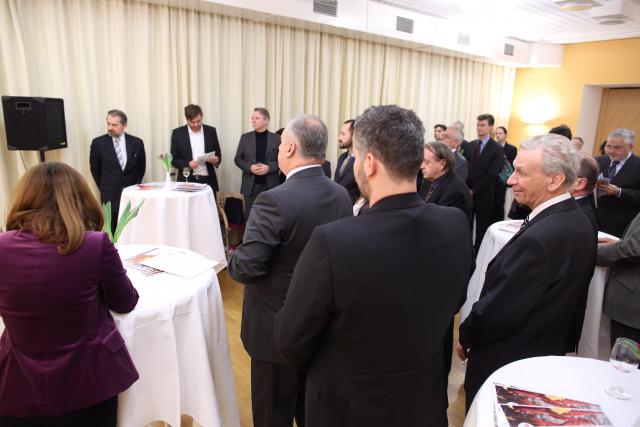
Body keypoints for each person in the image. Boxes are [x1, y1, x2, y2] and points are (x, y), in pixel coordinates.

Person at [274, 105, 473, 427]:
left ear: (368, 163)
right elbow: (454, 300)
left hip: (349, 409)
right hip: (423, 404)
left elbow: (290, 342)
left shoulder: (333, 241)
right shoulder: (454, 224)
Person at [228, 115, 352, 427]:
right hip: (320, 327)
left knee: (272, 415)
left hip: (275, 329)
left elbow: (246, 267)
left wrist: (231, 254)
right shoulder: (340, 194)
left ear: (291, 148)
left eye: (281, 145)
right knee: (310, 411)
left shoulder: (273, 200)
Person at [458, 134, 596, 410]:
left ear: (554, 180)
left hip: (507, 363)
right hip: (541, 356)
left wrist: (466, 334)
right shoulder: (579, 220)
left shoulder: (541, 238)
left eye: (521, 172)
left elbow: (499, 310)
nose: (510, 180)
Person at [0, 162, 139, 427]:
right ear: (80, 199)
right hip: (89, 383)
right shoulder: (94, 245)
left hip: (17, 385)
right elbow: (126, 301)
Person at [90, 109, 146, 233]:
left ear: (124, 125)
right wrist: (105, 187)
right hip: (110, 195)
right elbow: (95, 170)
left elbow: (141, 168)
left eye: (114, 125)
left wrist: (134, 185)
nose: (110, 127)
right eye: (108, 123)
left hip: (132, 193)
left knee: (132, 228)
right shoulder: (98, 143)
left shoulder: (137, 143)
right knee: (113, 230)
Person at [597, 211, 640, 345]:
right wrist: (622, 243)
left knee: (624, 363)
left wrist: (593, 252)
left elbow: (634, 249)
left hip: (633, 309)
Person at [463, 113, 504, 251]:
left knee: (482, 228)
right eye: (477, 125)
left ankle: (478, 255)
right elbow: (465, 169)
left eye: (482, 125)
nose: (479, 128)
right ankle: (466, 251)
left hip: (485, 194)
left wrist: (474, 190)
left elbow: (492, 173)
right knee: (466, 225)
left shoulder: (497, 148)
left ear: (490, 127)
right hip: (467, 193)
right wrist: (466, 189)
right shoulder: (470, 145)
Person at [234, 108, 281, 218]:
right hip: (250, 186)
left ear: (266, 120)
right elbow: (237, 159)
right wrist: (249, 167)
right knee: (251, 217)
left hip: (271, 186)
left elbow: (282, 161)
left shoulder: (277, 138)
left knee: (270, 217)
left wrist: (269, 168)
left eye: (257, 118)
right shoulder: (245, 138)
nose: (253, 121)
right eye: (252, 118)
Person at [595, 128, 640, 237]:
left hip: (620, 224)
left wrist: (619, 192)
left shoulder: (638, 165)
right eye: (608, 146)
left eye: (617, 147)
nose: (611, 151)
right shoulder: (598, 161)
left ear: (630, 146)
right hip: (595, 219)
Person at [170, 104, 222, 197]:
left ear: (201, 117)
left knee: (208, 211)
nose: (196, 124)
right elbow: (174, 159)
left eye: (199, 121)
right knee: (187, 211)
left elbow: (218, 154)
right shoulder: (177, 133)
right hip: (187, 181)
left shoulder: (211, 131)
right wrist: (188, 164)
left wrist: (216, 160)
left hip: (208, 181)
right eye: (193, 122)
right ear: (187, 119)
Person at [420, 141, 472, 221]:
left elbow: (441, 224)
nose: (421, 166)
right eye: (422, 161)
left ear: (442, 164)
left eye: (426, 162)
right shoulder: (429, 179)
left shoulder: (455, 192)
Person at [492, 126, 517, 223]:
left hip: (504, 181)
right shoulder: (492, 147)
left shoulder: (512, 149)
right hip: (493, 179)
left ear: (505, 134)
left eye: (500, 133)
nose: (498, 135)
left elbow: (513, 166)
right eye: (496, 133)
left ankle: (499, 222)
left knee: (501, 204)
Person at [334, 119, 360, 204]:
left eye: (343, 134)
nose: (339, 138)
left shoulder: (362, 161)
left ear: (354, 136)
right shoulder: (342, 157)